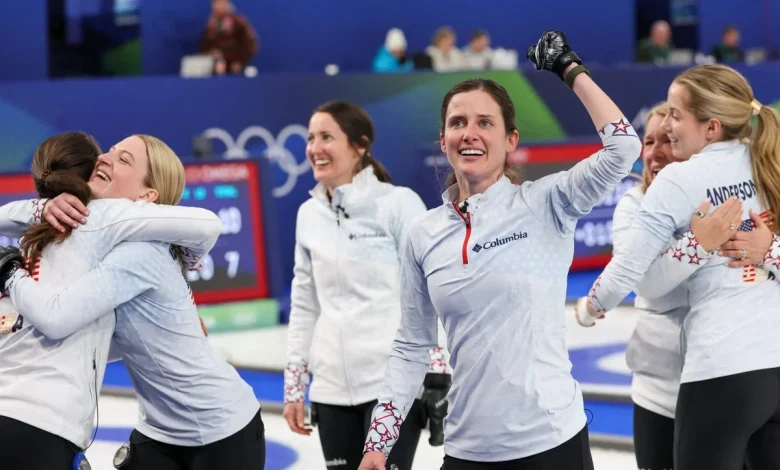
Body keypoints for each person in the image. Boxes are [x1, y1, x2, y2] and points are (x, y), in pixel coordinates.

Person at [358, 30, 643, 470]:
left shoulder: (546, 202)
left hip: (552, 443)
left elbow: (624, 147)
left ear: (511, 140)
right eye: (458, 123)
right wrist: (379, 442)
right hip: (467, 449)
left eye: (484, 122)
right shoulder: (424, 233)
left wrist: (569, 68)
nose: (469, 134)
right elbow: (412, 346)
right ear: (443, 140)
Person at [576, 64, 780, 470]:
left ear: (711, 127)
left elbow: (629, 274)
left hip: (720, 370)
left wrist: (591, 307)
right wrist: (766, 249)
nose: (666, 126)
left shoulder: (681, 179)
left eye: (674, 114)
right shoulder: (766, 163)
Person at [0, 132, 224, 470]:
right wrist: (188, 260)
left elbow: (67, 338)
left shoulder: (31, 233)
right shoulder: (106, 218)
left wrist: (38, 208)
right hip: (41, 425)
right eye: (108, 153)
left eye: (122, 158)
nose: (107, 158)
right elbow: (208, 225)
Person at [283, 100, 450, 470]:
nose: (315, 148)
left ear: (359, 146)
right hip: (329, 391)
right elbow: (305, 302)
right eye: (311, 138)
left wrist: (437, 373)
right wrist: (295, 385)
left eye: (327, 137)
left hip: (391, 387)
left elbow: (431, 290)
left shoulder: (397, 204)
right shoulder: (308, 215)